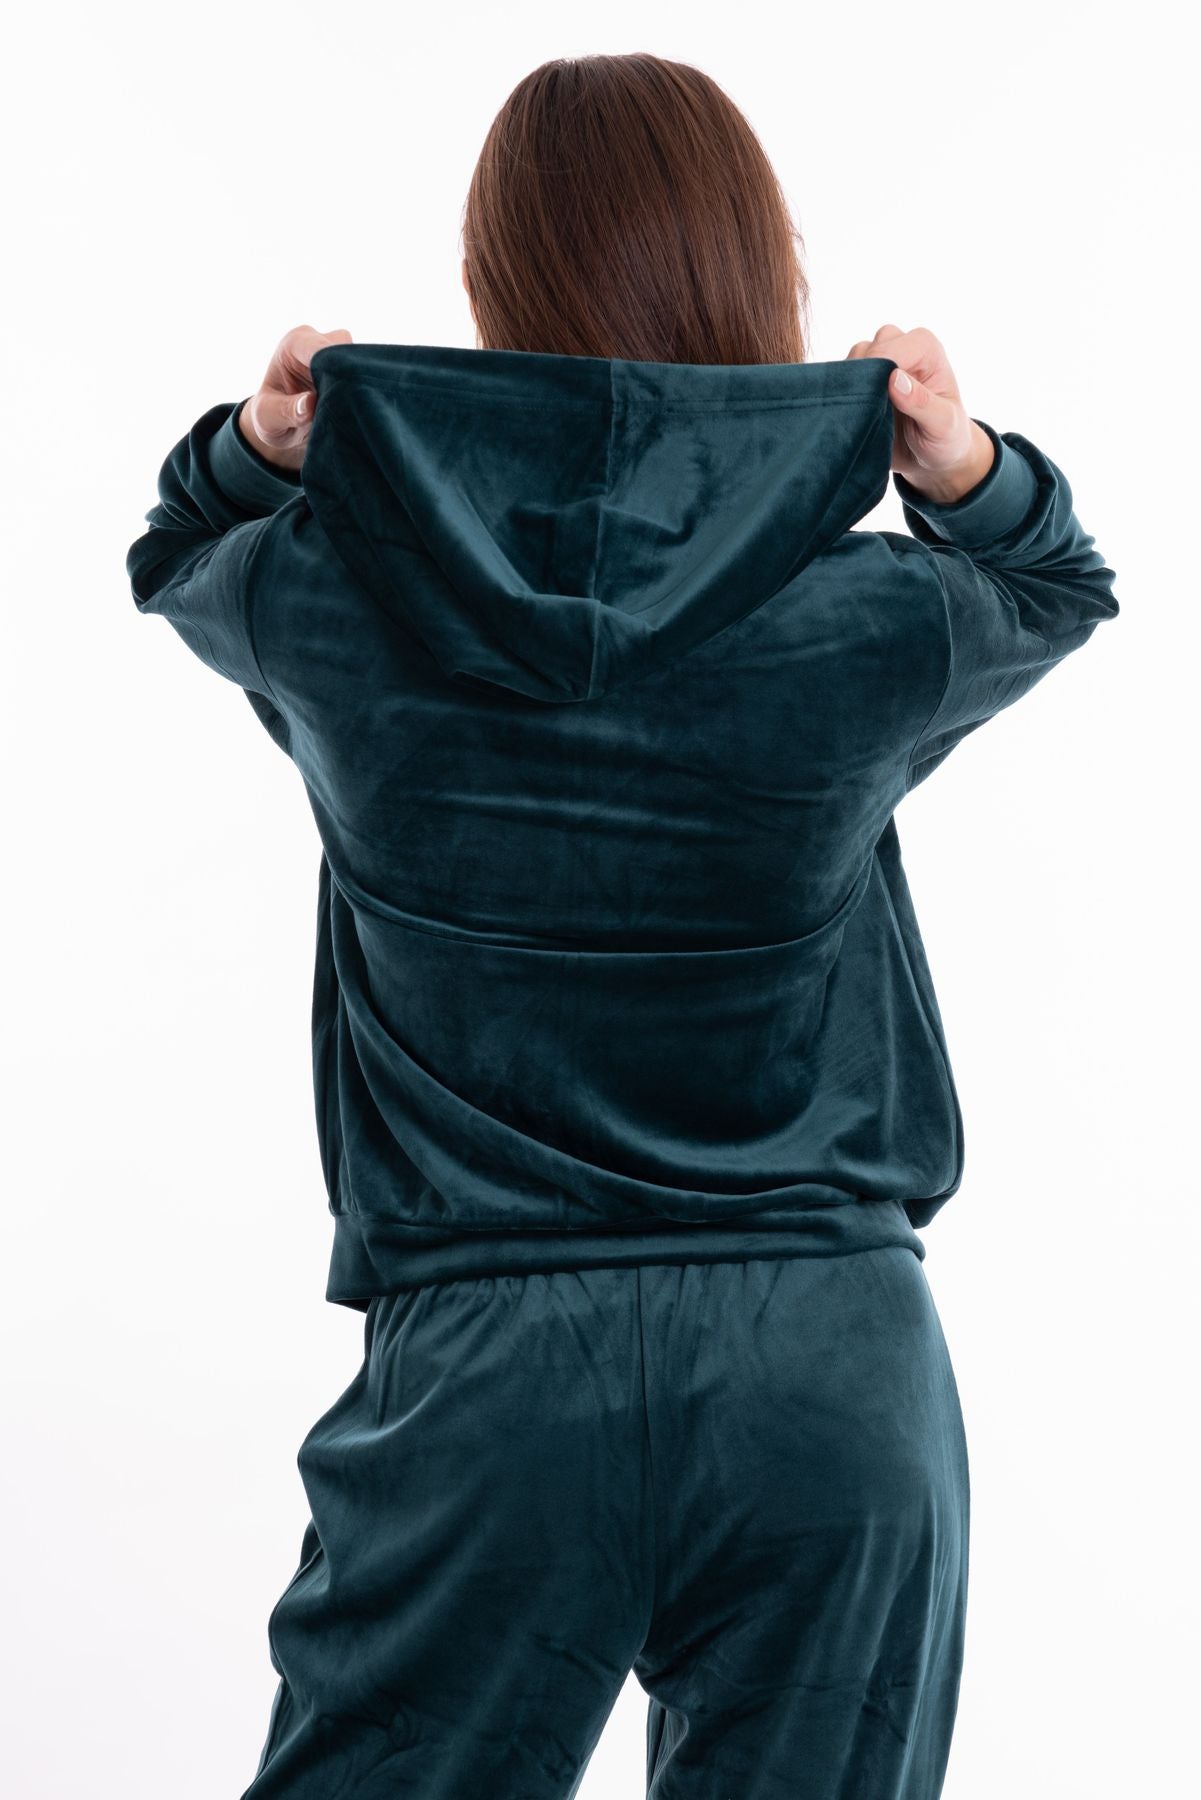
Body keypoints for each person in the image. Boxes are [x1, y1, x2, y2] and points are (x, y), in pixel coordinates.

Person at [126, 51, 1119, 1800]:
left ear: (490, 281)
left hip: (490, 1381)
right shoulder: (868, 618)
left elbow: (175, 557)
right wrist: (956, 464)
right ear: (763, 269)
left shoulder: (331, 600)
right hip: (826, 1370)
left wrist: (252, 449)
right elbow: (1053, 585)